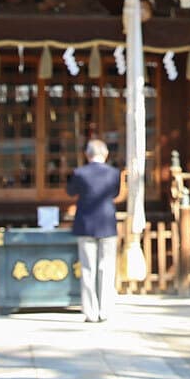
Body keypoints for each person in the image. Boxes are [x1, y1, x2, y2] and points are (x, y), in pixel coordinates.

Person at [63, 138, 122, 322]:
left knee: (88, 269)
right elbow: (115, 194)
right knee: (107, 267)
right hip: (106, 223)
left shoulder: (80, 173)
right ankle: (105, 310)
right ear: (105, 154)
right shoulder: (114, 173)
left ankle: (90, 311)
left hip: (86, 223)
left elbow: (70, 192)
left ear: (87, 155)